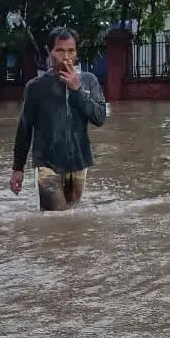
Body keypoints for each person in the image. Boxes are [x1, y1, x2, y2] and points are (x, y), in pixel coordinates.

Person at [10, 28, 107, 211]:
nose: (66, 57)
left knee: (70, 219)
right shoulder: (36, 87)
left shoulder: (88, 81)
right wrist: (18, 168)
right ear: (49, 52)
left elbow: (100, 117)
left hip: (79, 162)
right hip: (47, 164)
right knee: (56, 215)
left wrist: (77, 90)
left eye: (71, 51)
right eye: (60, 50)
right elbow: (24, 128)